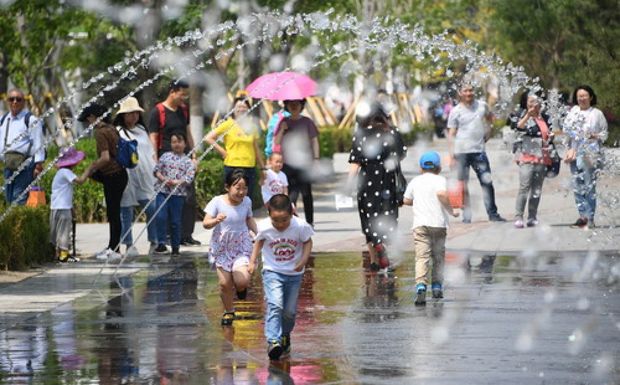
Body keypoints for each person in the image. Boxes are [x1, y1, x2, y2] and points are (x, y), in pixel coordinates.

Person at [248, 194, 314, 360]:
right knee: (275, 304)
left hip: (294, 274)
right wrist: (252, 261)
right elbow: (259, 241)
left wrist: (303, 260)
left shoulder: (300, 226)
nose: (280, 224)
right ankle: (273, 341)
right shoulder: (264, 226)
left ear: (291, 213)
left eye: (284, 220)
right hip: (272, 271)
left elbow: (308, 242)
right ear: (269, 213)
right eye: (275, 220)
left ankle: (285, 334)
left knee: (290, 312)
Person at [347, 102, 406, 271]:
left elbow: (356, 163)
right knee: (387, 217)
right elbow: (400, 155)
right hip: (388, 180)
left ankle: (374, 259)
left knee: (369, 218)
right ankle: (384, 248)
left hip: (367, 181)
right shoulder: (392, 132)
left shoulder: (361, 134)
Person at [147, 80, 200, 246]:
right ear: (173, 92)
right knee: (169, 198)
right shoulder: (158, 111)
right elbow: (153, 137)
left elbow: (188, 133)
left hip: (184, 160)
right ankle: (169, 236)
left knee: (188, 196)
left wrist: (193, 155)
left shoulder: (184, 110)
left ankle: (186, 234)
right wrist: (155, 160)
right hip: (166, 161)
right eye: (182, 94)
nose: (184, 98)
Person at [402, 151, 458, 306]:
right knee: (438, 257)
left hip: (420, 226)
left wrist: (418, 201)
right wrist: (451, 210)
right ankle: (437, 286)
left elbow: (406, 200)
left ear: (421, 168)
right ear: (438, 167)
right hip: (438, 225)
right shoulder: (441, 180)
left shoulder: (415, 181)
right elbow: (441, 194)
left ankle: (421, 286)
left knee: (422, 257)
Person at [202, 170, 257, 326]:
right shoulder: (217, 202)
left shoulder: (247, 201)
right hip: (222, 248)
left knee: (242, 280)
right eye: (237, 188)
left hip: (241, 247)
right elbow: (205, 223)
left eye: (244, 188)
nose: (241, 192)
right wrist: (215, 220)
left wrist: (258, 233)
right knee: (224, 284)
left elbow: (249, 219)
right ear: (227, 187)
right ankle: (229, 311)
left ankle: (241, 288)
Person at [447, 82, 506, 223]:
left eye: (471, 90)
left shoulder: (482, 105)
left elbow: (490, 118)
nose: (469, 93)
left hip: (479, 151)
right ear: (460, 93)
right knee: (463, 185)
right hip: (461, 153)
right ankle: (467, 216)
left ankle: (493, 214)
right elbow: (451, 134)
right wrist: (451, 156)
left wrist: (489, 132)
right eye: (465, 91)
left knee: (487, 183)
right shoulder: (455, 111)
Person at [78, 103, 128, 262]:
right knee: (115, 213)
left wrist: (91, 168)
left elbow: (105, 158)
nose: (88, 123)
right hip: (121, 174)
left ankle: (114, 248)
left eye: (88, 120)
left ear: (93, 117)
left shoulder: (99, 132)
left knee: (113, 214)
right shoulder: (112, 128)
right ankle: (115, 248)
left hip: (112, 176)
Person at [113, 97, 158, 256]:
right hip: (128, 177)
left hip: (145, 176)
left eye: (136, 113)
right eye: (130, 114)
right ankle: (129, 244)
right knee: (126, 211)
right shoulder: (118, 131)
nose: (133, 117)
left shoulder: (141, 130)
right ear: (123, 115)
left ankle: (154, 241)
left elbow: (150, 153)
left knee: (151, 208)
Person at [563, 85, 608, 229]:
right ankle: (582, 216)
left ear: (591, 97)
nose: (581, 98)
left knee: (589, 186)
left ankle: (590, 217)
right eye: (579, 96)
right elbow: (566, 132)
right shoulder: (572, 112)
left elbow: (605, 134)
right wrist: (569, 149)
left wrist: (594, 136)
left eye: (584, 95)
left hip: (590, 153)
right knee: (577, 186)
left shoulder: (597, 113)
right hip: (575, 153)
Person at [205, 96, 265, 201]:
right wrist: (222, 151)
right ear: (233, 109)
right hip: (232, 166)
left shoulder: (252, 127)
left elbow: (256, 149)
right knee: (232, 199)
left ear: (248, 109)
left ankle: (244, 218)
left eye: (244, 107)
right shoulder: (228, 124)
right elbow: (208, 138)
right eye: (238, 106)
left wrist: (262, 168)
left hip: (249, 167)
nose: (241, 109)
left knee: (247, 199)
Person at [273, 99, 320, 227]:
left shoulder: (307, 122)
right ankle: (291, 220)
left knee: (306, 193)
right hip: (288, 164)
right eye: (291, 104)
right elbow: (276, 142)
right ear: (287, 106)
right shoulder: (283, 122)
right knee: (291, 193)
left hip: (305, 163)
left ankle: (310, 222)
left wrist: (316, 159)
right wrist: (282, 129)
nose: (294, 106)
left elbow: (314, 140)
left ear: (301, 106)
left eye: (297, 104)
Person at [510, 92, 553, 228]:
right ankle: (518, 216)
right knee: (524, 187)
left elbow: (548, 134)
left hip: (542, 157)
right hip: (526, 156)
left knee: (536, 189)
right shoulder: (520, 114)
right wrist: (528, 114)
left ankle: (532, 216)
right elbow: (518, 127)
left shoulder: (545, 117)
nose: (534, 104)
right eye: (531, 101)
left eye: (536, 101)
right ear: (526, 102)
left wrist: (550, 137)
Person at [153, 132, 196, 257]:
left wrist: (176, 182)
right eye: (173, 142)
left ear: (185, 144)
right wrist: (163, 179)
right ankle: (161, 243)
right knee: (160, 216)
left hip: (178, 195)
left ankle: (175, 246)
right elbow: (156, 170)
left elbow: (189, 178)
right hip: (162, 192)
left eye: (179, 142)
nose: (176, 144)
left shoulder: (188, 161)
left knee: (175, 221)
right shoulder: (165, 156)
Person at [0, 88, 45, 205]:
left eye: (18, 99)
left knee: (19, 197)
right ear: (7, 101)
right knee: (9, 197)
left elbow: (38, 143)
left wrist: (38, 165)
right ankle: (13, 222)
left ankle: (19, 222)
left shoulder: (30, 120)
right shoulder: (4, 119)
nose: (15, 102)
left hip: (25, 164)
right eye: (11, 99)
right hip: (9, 163)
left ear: (24, 102)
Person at [50, 147, 87, 263]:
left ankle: (58, 254)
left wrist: (72, 208)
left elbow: (65, 193)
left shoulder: (60, 173)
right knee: (64, 231)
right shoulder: (66, 172)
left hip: (56, 207)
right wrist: (89, 171)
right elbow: (80, 181)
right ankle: (64, 255)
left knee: (57, 232)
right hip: (62, 208)